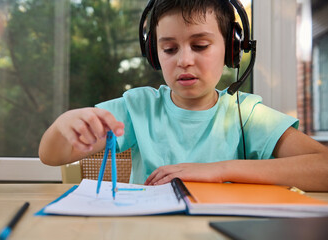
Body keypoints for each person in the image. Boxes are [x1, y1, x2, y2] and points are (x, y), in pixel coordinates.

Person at [39, 0, 328, 191]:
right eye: (169, 49)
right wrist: (65, 125)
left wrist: (218, 170)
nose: (184, 60)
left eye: (200, 45)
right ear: (154, 54)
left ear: (232, 49)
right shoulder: (137, 108)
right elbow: (51, 156)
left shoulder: (248, 115)